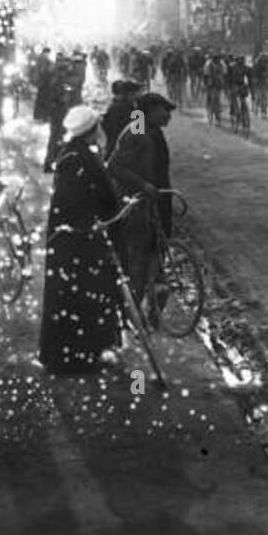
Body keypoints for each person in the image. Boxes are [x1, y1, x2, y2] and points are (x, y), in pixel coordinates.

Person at [38, 105, 124, 376]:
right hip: (76, 242)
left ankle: (85, 352)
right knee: (81, 296)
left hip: (80, 240)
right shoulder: (75, 159)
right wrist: (89, 223)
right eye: (97, 127)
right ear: (90, 131)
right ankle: (75, 356)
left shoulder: (78, 154)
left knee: (86, 296)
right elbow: (73, 201)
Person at [107, 91, 175, 324]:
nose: (168, 115)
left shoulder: (154, 132)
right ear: (149, 111)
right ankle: (132, 316)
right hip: (138, 207)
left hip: (157, 205)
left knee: (155, 259)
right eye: (163, 110)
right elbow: (115, 166)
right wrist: (143, 185)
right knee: (139, 264)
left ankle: (150, 314)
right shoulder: (137, 129)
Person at [101, 80, 140, 158]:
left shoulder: (125, 107)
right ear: (128, 94)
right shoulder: (122, 110)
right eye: (134, 93)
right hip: (123, 153)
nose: (137, 95)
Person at [31, 48, 54, 123]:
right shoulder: (44, 60)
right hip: (45, 83)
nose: (48, 55)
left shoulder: (40, 59)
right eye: (47, 53)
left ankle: (39, 115)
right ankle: (44, 116)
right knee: (44, 100)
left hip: (42, 83)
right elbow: (44, 71)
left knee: (41, 99)